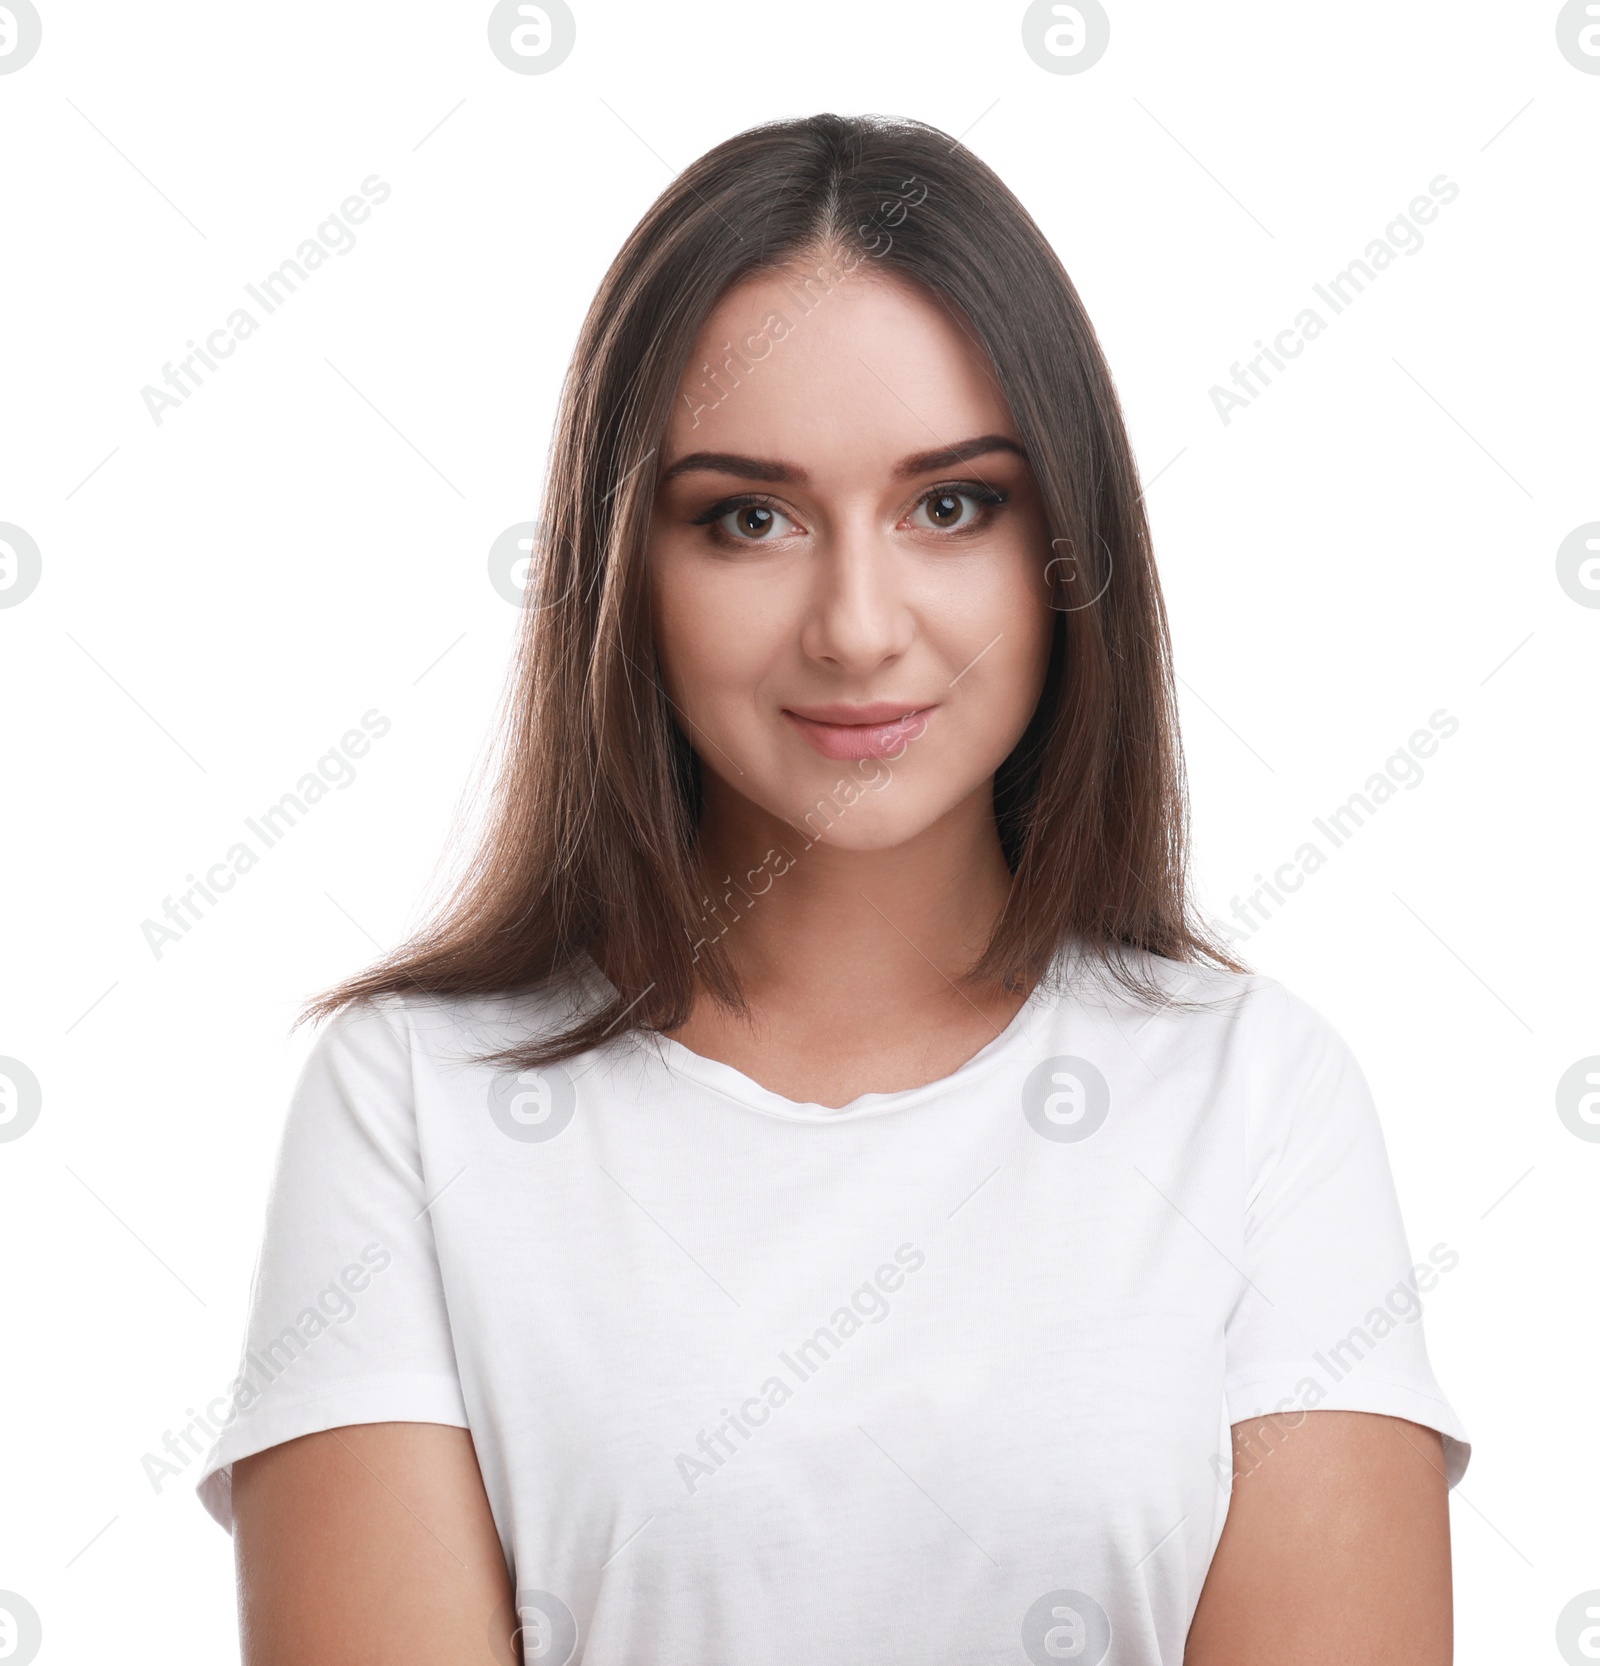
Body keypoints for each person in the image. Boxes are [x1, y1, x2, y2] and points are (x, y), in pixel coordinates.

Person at [196, 113, 1469, 1665]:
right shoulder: (413, 1102)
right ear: (625, 567)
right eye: (749, 516)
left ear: (1066, 547)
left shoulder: (1257, 1097)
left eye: (951, 506)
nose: (858, 626)